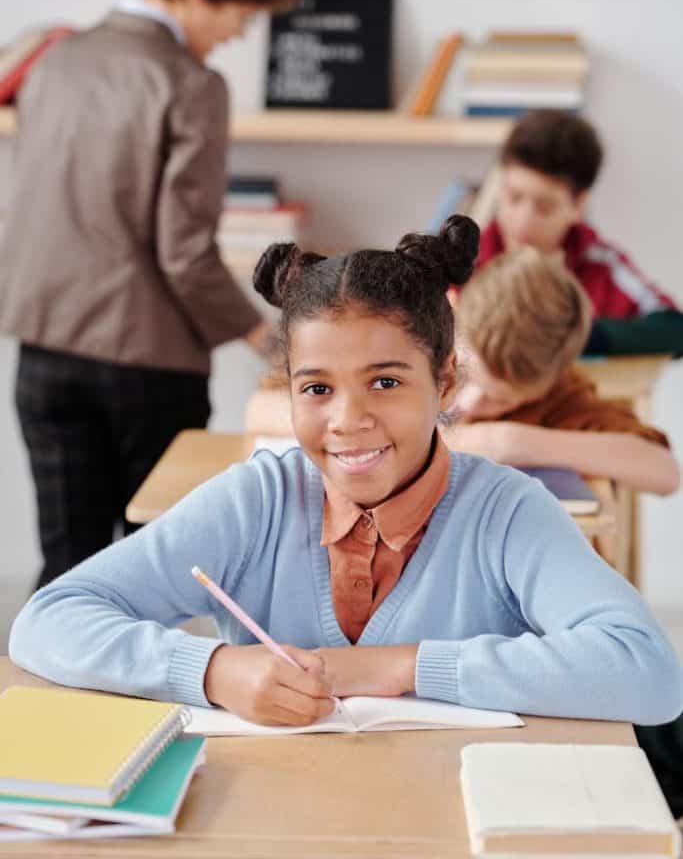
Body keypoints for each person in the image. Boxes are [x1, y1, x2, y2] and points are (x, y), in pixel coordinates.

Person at [9, 216, 683, 730]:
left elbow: (647, 672)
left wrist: (395, 666)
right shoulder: (256, 502)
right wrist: (212, 669)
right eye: (316, 388)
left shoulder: (505, 512)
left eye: (385, 382)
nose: (347, 420)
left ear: (444, 381)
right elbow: (45, 621)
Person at [0, 0, 296, 587]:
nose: (236, 35)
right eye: (239, 16)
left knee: (67, 569)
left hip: (44, 353)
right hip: (145, 365)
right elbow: (184, 254)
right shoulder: (191, 85)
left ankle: (50, 696)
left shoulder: (55, 58)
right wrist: (267, 340)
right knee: (149, 574)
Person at [443, 249, 680, 495]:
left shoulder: (559, 396)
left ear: (544, 386)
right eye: (465, 376)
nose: (469, 403)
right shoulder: (424, 352)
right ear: (454, 310)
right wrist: (461, 441)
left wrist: (512, 442)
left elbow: (665, 473)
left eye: (499, 399)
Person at [476, 109, 683, 356]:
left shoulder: (599, 262)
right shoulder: (463, 259)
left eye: (545, 207)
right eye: (513, 197)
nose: (522, 222)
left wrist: (581, 336)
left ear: (578, 206)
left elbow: (675, 330)